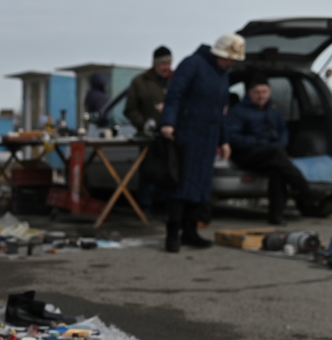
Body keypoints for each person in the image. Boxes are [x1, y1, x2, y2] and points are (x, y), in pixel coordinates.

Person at [160, 34, 244, 252]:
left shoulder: (223, 75)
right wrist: (168, 122)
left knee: (200, 188)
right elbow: (175, 95)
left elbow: (221, 110)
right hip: (187, 134)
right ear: (218, 53)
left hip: (208, 138)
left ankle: (190, 231)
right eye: (229, 59)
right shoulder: (193, 64)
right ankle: (172, 233)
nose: (231, 64)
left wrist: (224, 140)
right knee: (181, 186)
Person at [226, 74, 312, 224]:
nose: (261, 96)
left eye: (264, 92)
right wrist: (256, 142)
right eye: (257, 93)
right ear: (249, 93)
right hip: (247, 154)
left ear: (269, 92)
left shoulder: (274, 109)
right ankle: (304, 188)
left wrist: (280, 143)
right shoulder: (238, 112)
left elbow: (283, 130)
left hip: (272, 153)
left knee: (278, 171)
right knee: (277, 156)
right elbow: (232, 137)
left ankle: (276, 215)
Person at [125, 46, 173, 212]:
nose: (166, 67)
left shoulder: (176, 80)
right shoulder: (140, 82)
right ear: (154, 64)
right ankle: (145, 207)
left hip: (171, 137)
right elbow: (130, 109)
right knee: (149, 172)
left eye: (168, 63)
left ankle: (168, 207)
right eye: (162, 64)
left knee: (171, 171)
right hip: (149, 137)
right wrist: (143, 123)